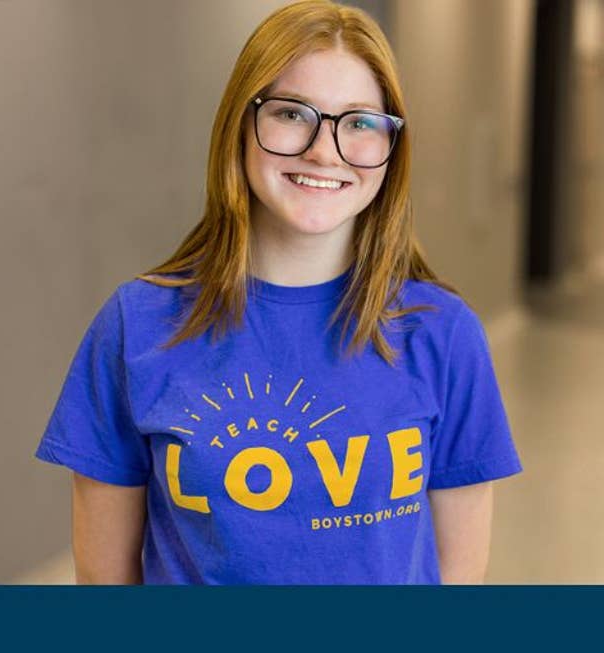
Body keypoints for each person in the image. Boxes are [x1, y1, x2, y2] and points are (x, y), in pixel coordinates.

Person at [35, 0, 522, 585]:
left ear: (392, 148)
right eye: (293, 114)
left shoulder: (442, 333)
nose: (324, 150)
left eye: (361, 122)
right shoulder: (138, 326)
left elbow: (459, 580)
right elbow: (105, 583)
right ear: (241, 123)